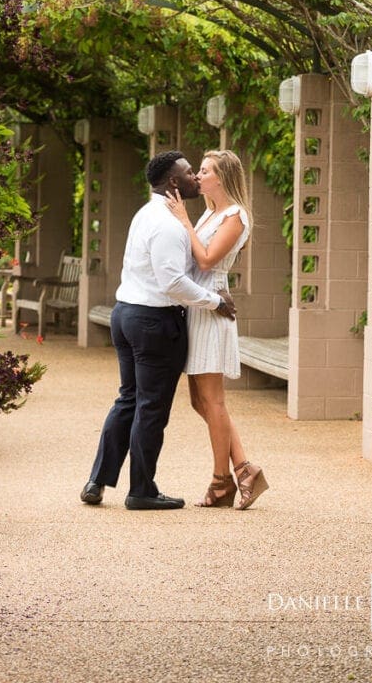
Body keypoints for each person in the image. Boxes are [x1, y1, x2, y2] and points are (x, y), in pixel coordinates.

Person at [80, 150, 236, 511]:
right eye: (188, 173)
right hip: (153, 322)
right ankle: (142, 491)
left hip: (127, 315)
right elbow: (173, 284)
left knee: (129, 400)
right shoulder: (167, 223)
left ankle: (97, 480)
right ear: (173, 183)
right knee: (150, 408)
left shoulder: (146, 213)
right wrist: (215, 301)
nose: (195, 178)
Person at [165, 149, 269, 510]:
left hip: (213, 308)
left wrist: (183, 221)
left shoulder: (235, 216)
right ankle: (243, 467)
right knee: (200, 400)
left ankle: (221, 480)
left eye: (205, 171)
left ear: (222, 178)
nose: (198, 176)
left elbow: (207, 260)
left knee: (213, 399)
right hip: (198, 306)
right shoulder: (210, 212)